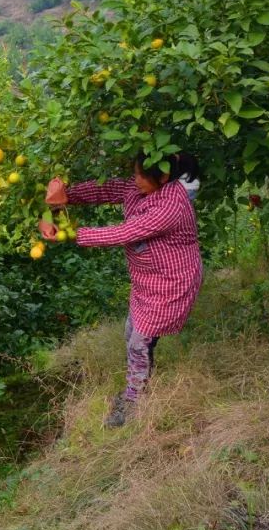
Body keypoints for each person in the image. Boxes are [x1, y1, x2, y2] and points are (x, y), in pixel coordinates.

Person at [43, 153, 202, 427]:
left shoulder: (171, 206)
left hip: (171, 283)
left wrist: (71, 234)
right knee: (133, 334)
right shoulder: (139, 186)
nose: (135, 180)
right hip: (147, 280)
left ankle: (133, 402)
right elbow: (105, 189)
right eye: (136, 173)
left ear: (163, 177)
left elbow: (125, 232)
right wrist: (65, 196)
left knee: (140, 341)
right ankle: (139, 386)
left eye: (142, 175)